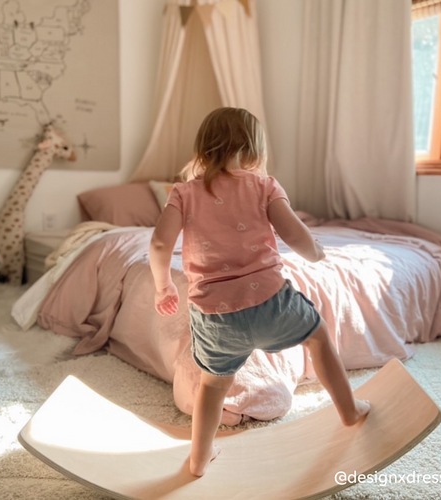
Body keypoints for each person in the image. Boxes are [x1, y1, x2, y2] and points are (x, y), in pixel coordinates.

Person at [149, 107, 370, 477]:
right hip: (270, 301)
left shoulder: (183, 193)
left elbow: (158, 244)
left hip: (215, 313)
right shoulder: (264, 186)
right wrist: (315, 252)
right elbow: (295, 234)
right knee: (317, 338)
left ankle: (199, 459)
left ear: (203, 148)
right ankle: (349, 411)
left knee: (213, 386)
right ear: (253, 148)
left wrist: (163, 286)